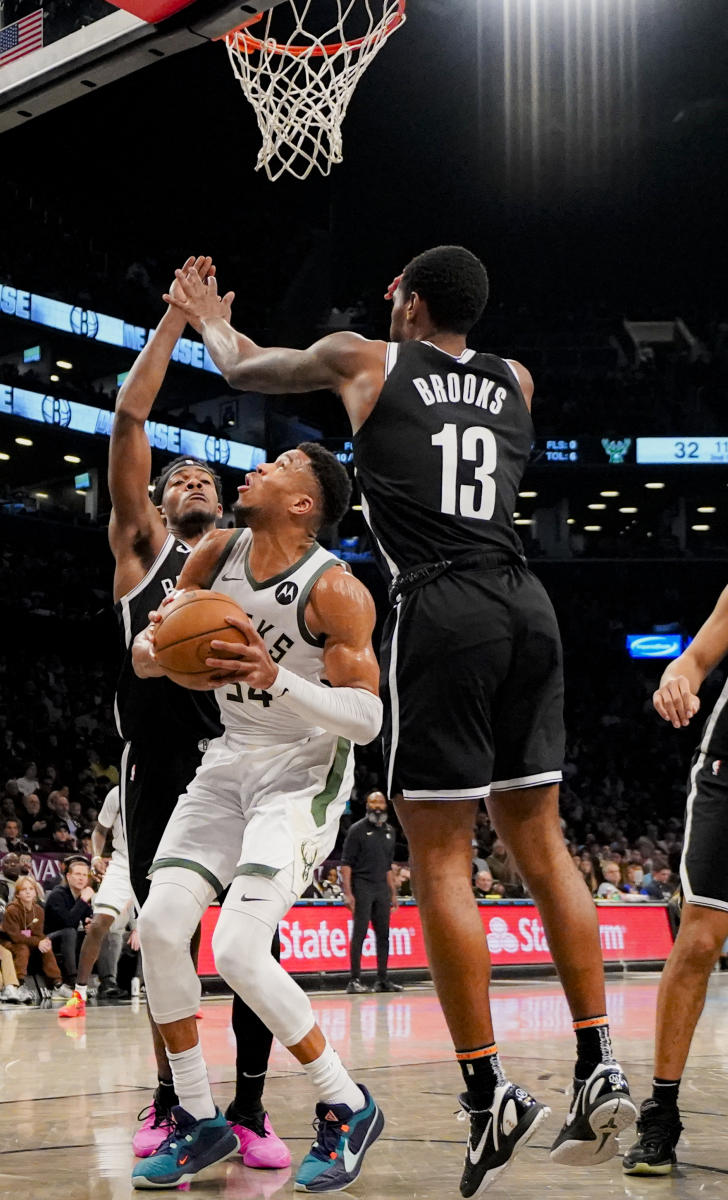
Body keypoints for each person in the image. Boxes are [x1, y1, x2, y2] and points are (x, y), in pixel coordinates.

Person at [167, 247, 634, 1196]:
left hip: (445, 604)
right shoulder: (519, 379)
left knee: (444, 857)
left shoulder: (366, 361)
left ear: (412, 304)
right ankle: (598, 1066)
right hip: (527, 605)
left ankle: (487, 1090)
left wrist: (208, 314)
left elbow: (240, 365)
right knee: (541, 840)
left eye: (396, 299)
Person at [131, 441, 385, 1192]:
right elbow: (150, 654)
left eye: (273, 467)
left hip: (302, 772)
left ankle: (347, 1101)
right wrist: (164, 649)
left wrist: (278, 679)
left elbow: (366, 720)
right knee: (158, 928)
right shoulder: (213, 552)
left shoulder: (335, 590)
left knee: (240, 949)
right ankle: (201, 1117)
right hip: (228, 759)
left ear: (304, 504)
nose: (252, 472)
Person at [108, 256, 288, 1168]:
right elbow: (131, 417)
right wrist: (179, 321)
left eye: (202, 477)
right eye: (174, 477)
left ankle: (251, 1109)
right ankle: (176, 1105)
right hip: (156, 768)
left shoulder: (244, 565)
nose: (187, 482)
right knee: (160, 942)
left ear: (222, 503)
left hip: (243, 766)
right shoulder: (141, 554)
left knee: (256, 943)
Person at [623, 587, 728, 1175]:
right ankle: (661, 1112)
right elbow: (694, 658)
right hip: (726, 773)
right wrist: (676, 676)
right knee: (699, 939)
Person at [60, 786, 133, 1017]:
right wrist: (97, 857)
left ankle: (189, 997)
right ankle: (79, 995)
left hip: (157, 860)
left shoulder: (169, 786)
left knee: (181, 925)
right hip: (122, 863)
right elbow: (101, 829)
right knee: (99, 923)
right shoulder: (119, 791)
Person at [340, 791, 401, 993]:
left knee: (383, 935)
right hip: (362, 886)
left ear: (385, 806)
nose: (377, 805)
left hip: (381, 888)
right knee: (360, 933)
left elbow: (387, 866)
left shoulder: (390, 831)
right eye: (373, 801)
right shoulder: (357, 830)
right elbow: (346, 865)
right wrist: (348, 893)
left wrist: (393, 893)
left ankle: (382, 979)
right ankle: (354, 980)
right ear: (367, 805)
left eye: (381, 802)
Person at [0, 874, 62, 993]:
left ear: (35, 892)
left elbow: (38, 934)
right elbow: (15, 937)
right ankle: (19, 984)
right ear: (17, 894)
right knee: (22, 949)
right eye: (24, 889)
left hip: (27, 940)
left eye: (31, 889)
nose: (28, 892)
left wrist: (43, 941)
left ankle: (57, 983)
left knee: (46, 947)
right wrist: (38, 942)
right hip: (8, 941)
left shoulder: (39, 910)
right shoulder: (12, 910)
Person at [44, 855, 93, 992]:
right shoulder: (57, 895)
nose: (81, 878)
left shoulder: (80, 895)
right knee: (70, 932)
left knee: (95, 935)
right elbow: (69, 922)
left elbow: (86, 918)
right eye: (77, 874)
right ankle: (73, 979)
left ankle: (104, 979)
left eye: (84, 875)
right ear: (68, 876)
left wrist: (90, 924)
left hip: (71, 937)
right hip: (51, 938)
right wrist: (83, 901)